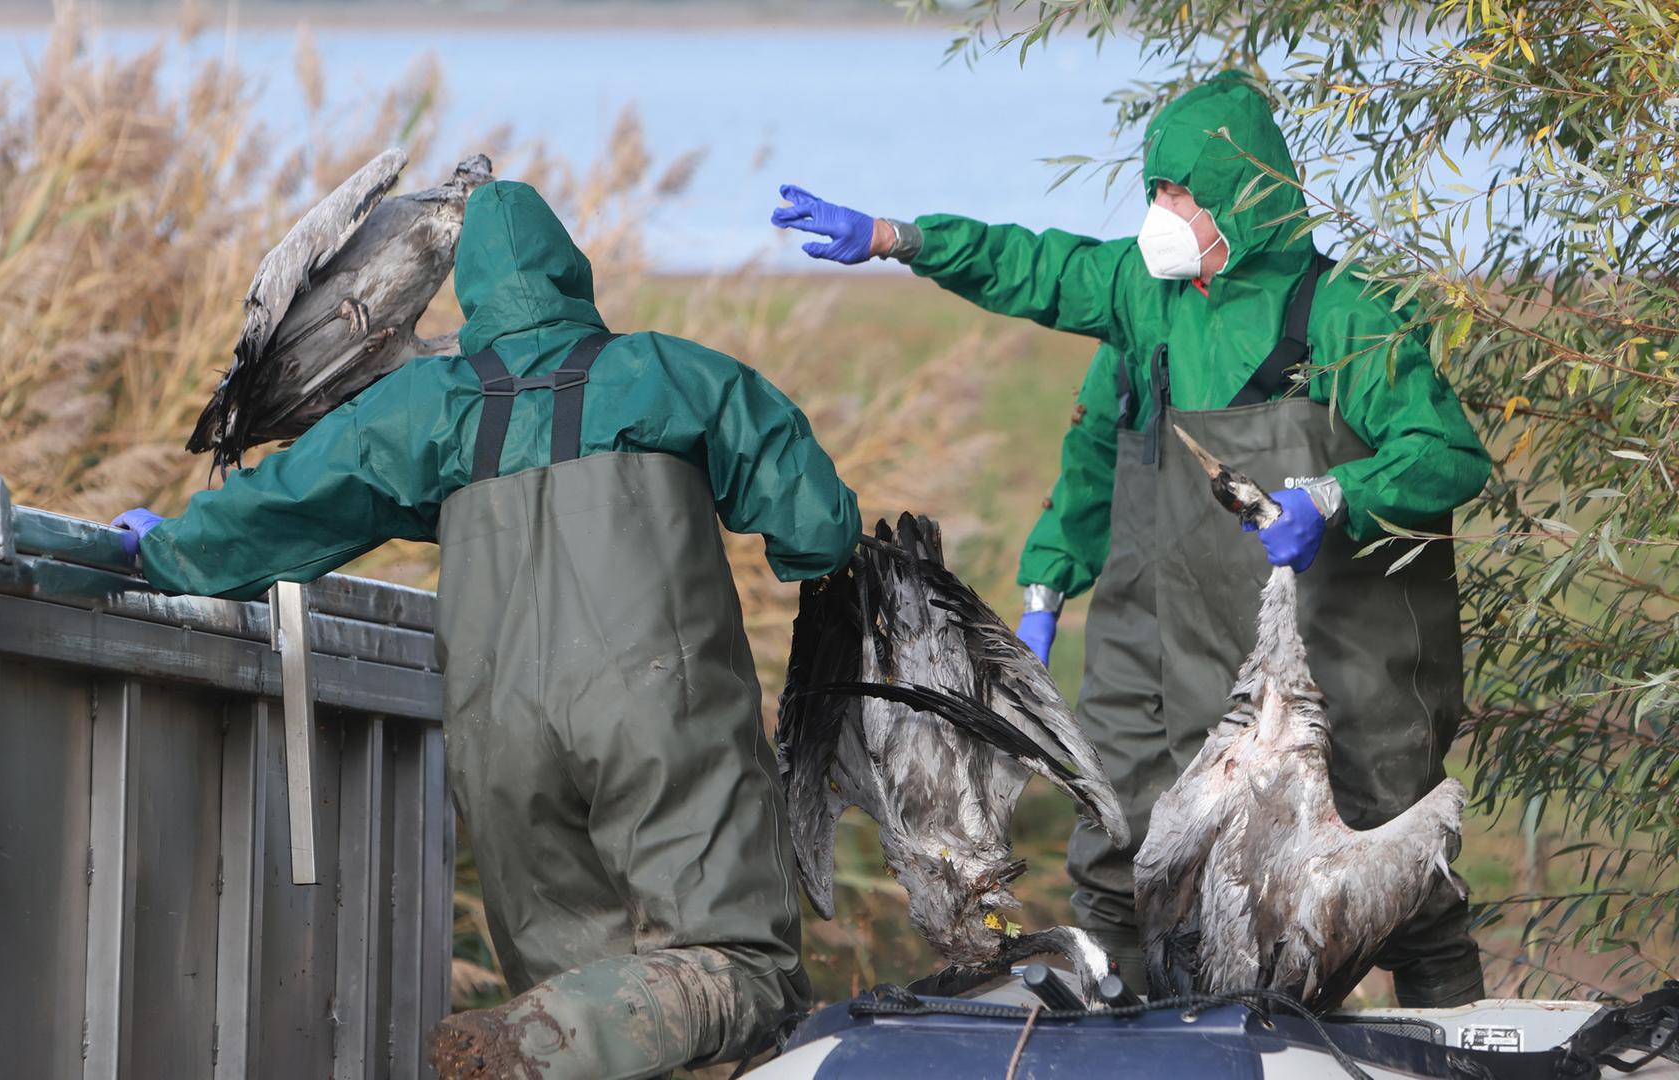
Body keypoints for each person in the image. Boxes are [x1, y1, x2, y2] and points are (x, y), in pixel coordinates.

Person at [771, 71, 1491, 1008]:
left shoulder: (1346, 316)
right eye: (1153, 192)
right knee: (1128, 848)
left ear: (1244, 196)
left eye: (1179, 194)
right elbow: (1039, 277)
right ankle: (1140, 1035)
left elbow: (1449, 455)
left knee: (1386, 855)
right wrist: (893, 239)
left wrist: (1336, 494)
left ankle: (1462, 1034)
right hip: (1165, 634)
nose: (1160, 212)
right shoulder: (1145, 306)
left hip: (1334, 650)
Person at [116, 180, 860, 1078]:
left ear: (469, 294)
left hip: (500, 738)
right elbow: (818, 527)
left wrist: (167, 553)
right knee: (740, 966)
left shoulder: (427, 405)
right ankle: (534, 1039)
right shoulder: (675, 374)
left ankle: (541, 1034)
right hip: (660, 717)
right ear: (571, 273)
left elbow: (281, 506)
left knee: (581, 978)